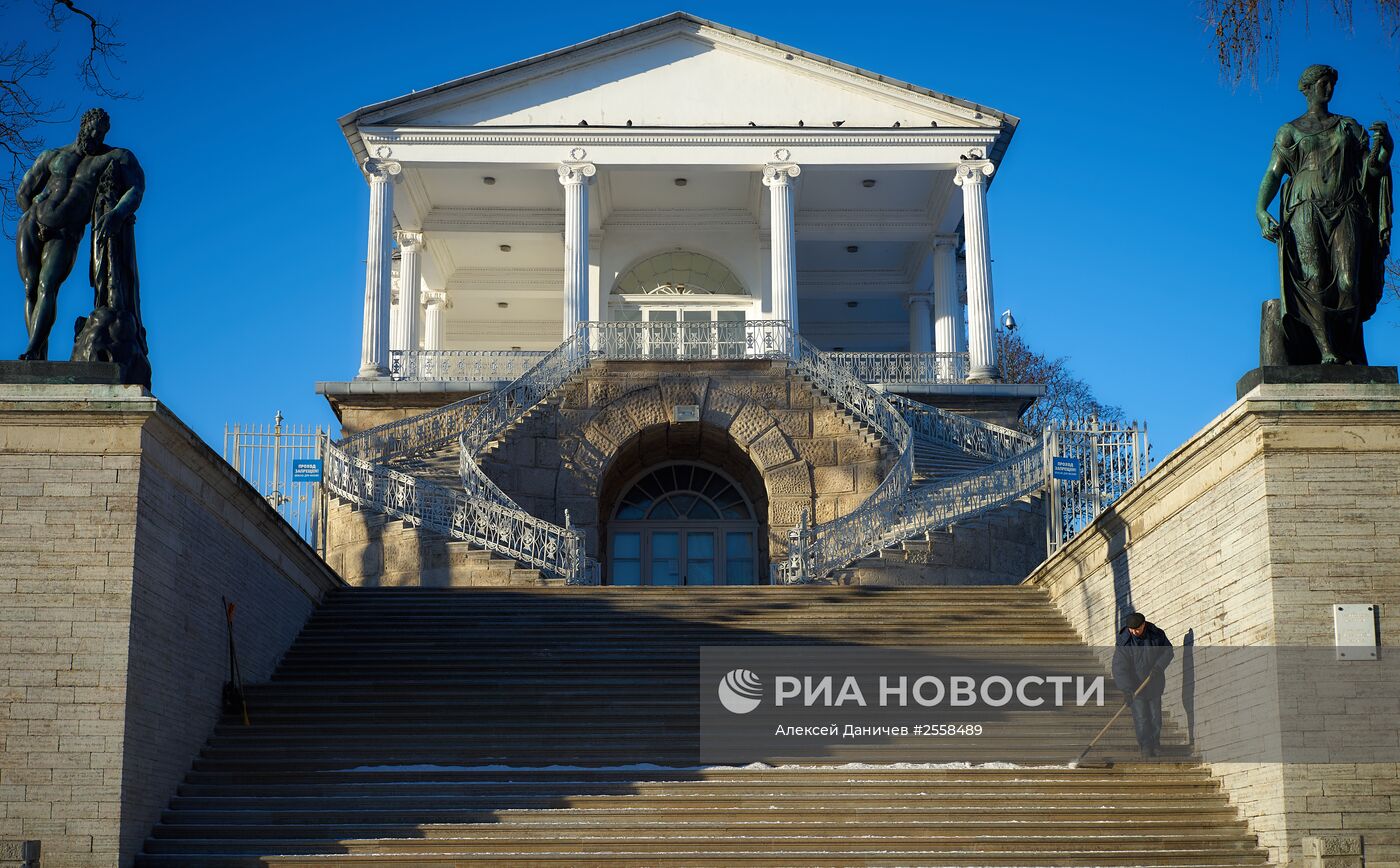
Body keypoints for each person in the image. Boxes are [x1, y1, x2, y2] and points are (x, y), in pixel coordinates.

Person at [1256, 64, 1392, 366]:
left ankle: (1347, 349)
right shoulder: (1290, 130)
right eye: (1323, 83)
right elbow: (1273, 174)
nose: (1329, 89)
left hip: (1346, 207)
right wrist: (1260, 210)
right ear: (1308, 89)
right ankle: (1326, 349)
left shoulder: (1349, 126)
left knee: (1348, 282)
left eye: (1332, 83)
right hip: (1305, 208)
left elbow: (1369, 172)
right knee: (1313, 278)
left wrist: (1385, 152)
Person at [15, 107, 145, 364]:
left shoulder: (113, 157)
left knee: (47, 285)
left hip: (65, 233)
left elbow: (136, 188)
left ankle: (32, 348)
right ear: (83, 125)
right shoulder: (53, 156)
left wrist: (118, 213)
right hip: (31, 223)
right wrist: (33, 209)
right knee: (30, 288)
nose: (96, 134)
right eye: (93, 128)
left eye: (101, 132)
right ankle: (38, 352)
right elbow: (24, 190)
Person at [1112, 612, 1174, 758]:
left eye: (1137, 629)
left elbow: (1168, 651)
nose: (1134, 632)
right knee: (1141, 718)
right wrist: (1127, 690)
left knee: (1155, 717)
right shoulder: (1124, 642)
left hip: (1153, 683)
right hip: (1135, 688)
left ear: (1143, 625)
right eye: (1131, 629)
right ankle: (1145, 746)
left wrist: (1159, 667)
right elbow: (1119, 668)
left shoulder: (1156, 634)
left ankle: (1156, 745)